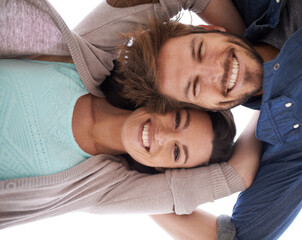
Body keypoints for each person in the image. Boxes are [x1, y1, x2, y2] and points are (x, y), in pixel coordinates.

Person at [70, 1, 302, 239]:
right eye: (195, 86)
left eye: (199, 50)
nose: (215, 69)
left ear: (209, 28)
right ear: (205, 108)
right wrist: (129, 181)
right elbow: (238, 236)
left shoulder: (250, 7)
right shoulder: (296, 135)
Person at [0, 0, 263, 229]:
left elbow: (234, 176)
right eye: (177, 120)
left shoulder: (101, 189)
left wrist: (268, 98)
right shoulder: (90, 57)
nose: (162, 136)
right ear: (162, 102)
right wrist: (241, 57)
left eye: (175, 152)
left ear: (165, 170)